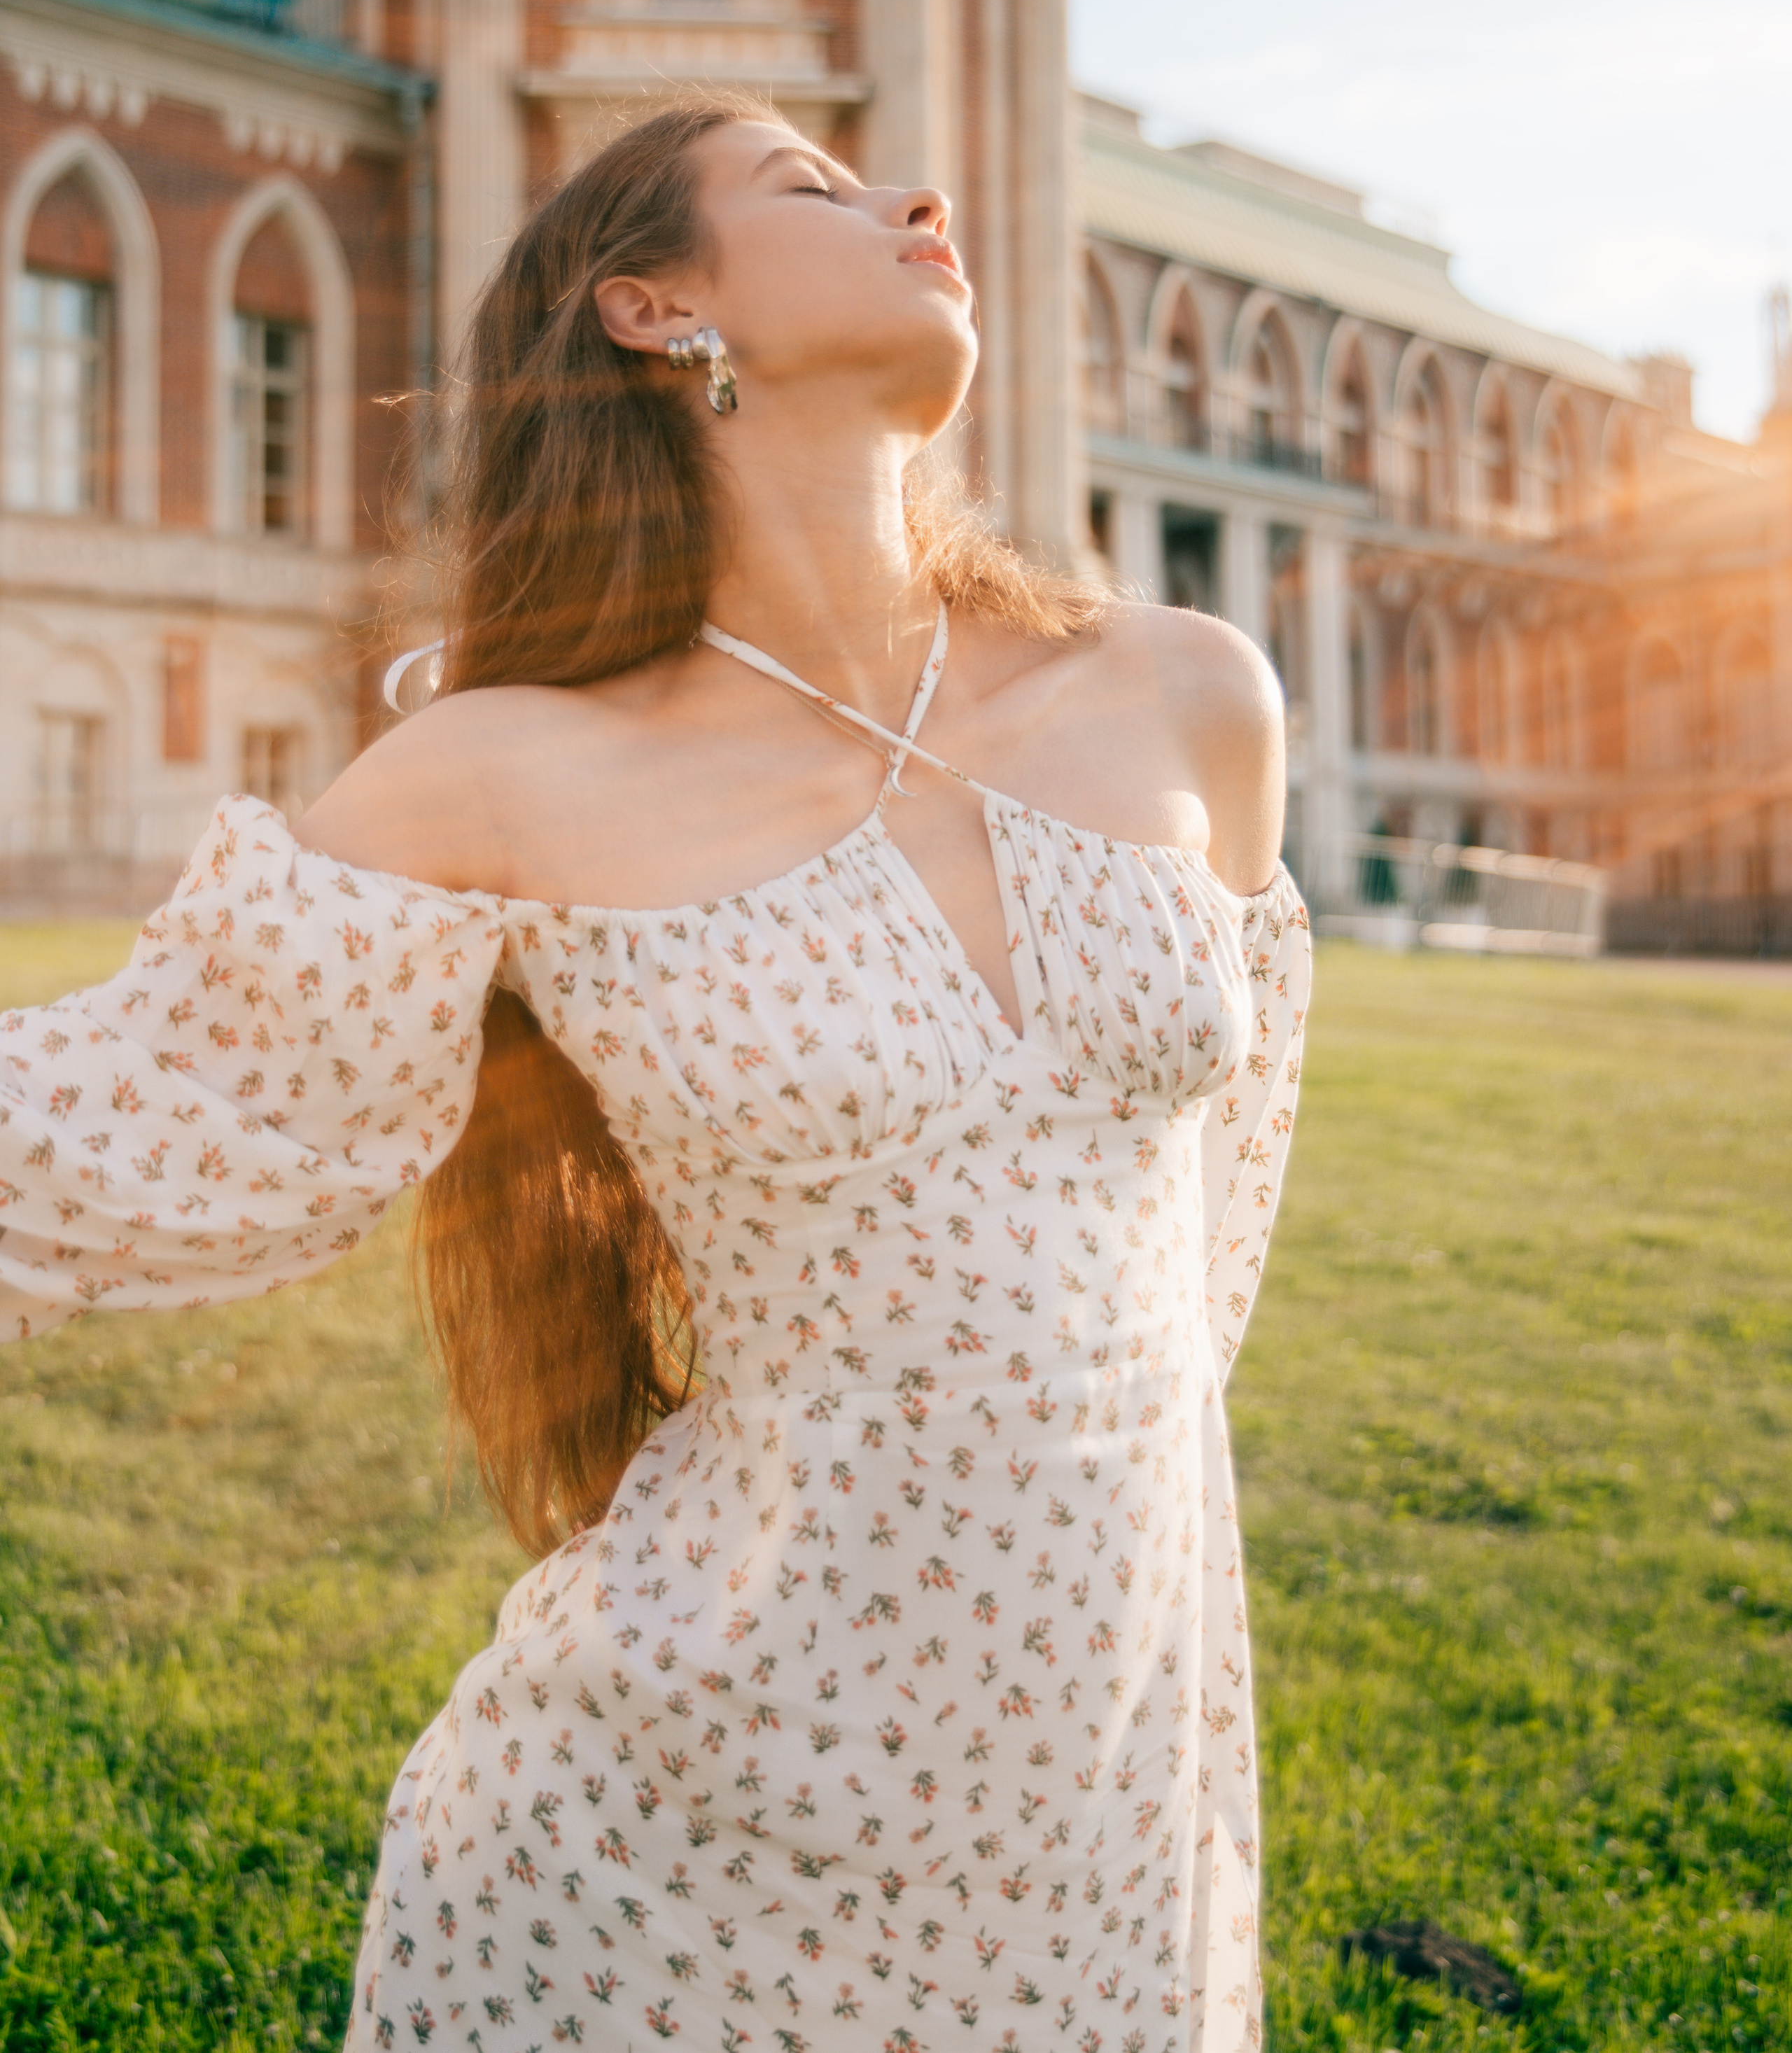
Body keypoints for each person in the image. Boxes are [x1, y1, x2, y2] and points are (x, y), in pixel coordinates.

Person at [0, 99, 1310, 2051]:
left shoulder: (1190, 691)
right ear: (649, 306)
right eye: (813, 184)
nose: (919, 199)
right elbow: (95, 1136)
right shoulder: (510, 768)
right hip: (674, 1846)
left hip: (1111, 1807)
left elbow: (1214, 1221)